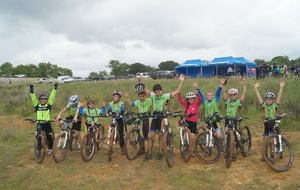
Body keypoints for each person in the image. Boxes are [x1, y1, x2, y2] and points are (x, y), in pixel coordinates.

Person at [142, 74, 185, 161]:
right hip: (154, 116)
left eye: (159, 91)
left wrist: (182, 81)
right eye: (156, 92)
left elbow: (177, 91)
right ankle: (149, 153)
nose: (158, 93)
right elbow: (145, 89)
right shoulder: (153, 95)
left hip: (162, 116)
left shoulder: (166, 96)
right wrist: (141, 81)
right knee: (151, 136)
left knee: (161, 135)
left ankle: (160, 152)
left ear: (161, 91)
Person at [253, 80, 285, 163]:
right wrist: (256, 89)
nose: (268, 101)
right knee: (264, 140)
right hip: (266, 124)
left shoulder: (275, 105)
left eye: (270, 99)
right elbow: (259, 98)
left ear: (273, 100)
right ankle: (264, 155)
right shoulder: (264, 105)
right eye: (267, 99)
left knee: (271, 140)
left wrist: (281, 87)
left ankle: (272, 156)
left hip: (273, 123)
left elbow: (279, 97)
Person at [29, 83, 58, 156]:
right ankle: (39, 150)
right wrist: (32, 91)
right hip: (39, 123)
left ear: (46, 100)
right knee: (38, 136)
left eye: (44, 99)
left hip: (47, 123)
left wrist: (54, 89)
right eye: (41, 99)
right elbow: (33, 98)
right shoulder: (37, 106)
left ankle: (51, 149)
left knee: (49, 137)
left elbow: (52, 97)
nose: (43, 100)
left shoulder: (48, 105)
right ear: (39, 100)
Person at [222, 78, 247, 161]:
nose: (232, 96)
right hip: (227, 119)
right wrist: (224, 85)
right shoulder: (227, 101)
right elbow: (223, 93)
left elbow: (244, 93)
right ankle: (227, 151)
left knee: (236, 135)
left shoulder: (239, 101)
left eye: (234, 95)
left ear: (236, 95)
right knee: (227, 135)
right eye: (231, 95)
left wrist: (244, 85)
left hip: (235, 119)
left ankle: (234, 153)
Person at [124, 90, 152, 155]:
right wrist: (127, 97)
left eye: (143, 96)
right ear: (138, 97)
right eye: (140, 96)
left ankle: (149, 150)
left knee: (147, 135)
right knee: (141, 133)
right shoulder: (138, 102)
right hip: (141, 118)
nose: (141, 97)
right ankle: (142, 149)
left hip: (147, 118)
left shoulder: (149, 100)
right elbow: (131, 104)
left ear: (145, 96)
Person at [177, 84, 201, 156]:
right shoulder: (186, 104)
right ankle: (187, 148)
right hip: (187, 121)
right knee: (187, 136)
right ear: (187, 99)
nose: (191, 100)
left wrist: (197, 94)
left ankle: (193, 150)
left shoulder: (196, 104)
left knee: (192, 137)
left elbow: (200, 99)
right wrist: (179, 93)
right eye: (189, 99)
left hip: (193, 122)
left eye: (192, 98)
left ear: (194, 99)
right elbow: (180, 100)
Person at [107, 91, 126, 155]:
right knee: (109, 132)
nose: (116, 98)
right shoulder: (110, 103)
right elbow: (109, 110)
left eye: (118, 97)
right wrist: (109, 112)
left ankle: (122, 147)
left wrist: (120, 114)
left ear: (120, 98)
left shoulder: (122, 104)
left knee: (121, 134)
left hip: (119, 119)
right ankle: (110, 147)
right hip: (113, 119)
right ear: (113, 97)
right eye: (115, 96)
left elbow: (122, 112)